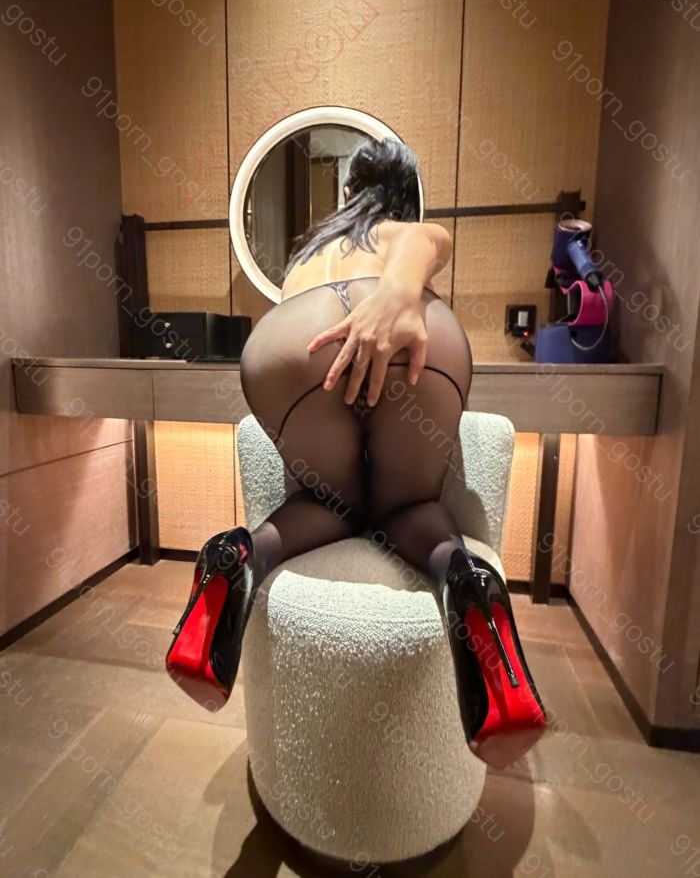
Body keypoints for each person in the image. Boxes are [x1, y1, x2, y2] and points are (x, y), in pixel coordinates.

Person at [166, 137, 546, 768]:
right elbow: (428, 240)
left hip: (296, 341)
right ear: (408, 198)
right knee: (409, 505)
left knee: (328, 502)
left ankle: (238, 555)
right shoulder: (402, 230)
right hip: (418, 343)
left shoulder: (309, 255)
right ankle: (464, 579)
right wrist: (398, 295)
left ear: (348, 193)